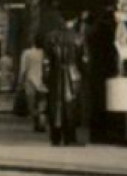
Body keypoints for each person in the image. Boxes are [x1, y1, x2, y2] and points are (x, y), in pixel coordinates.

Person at [43, 18, 86, 147]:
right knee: (71, 105)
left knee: (55, 104)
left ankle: (55, 136)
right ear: (72, 21)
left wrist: (45, 77)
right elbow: (84, 60)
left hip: (55, 74)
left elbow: (46, 61)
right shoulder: (78, 38)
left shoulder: (50, 37)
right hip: (73, 74)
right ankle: (70, 136)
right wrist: (83, 73)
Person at [18, 34, 47, 132]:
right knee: (42, 103)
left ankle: (36, 121)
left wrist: (20, 82)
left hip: (30, 81)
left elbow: (23, 69)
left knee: (32, 104)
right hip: (43, 81)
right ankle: (42, 120)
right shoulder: (45, 53)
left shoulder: (26, 53)